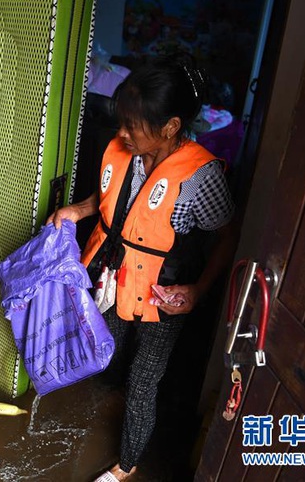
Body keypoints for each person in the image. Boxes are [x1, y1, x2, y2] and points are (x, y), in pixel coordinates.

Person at [47, 53, 237, 481]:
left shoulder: (200, 176)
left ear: (170, 127)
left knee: (143, 382)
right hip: (115, 276)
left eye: (133, 124)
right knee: (107, 345)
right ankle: (105, 392)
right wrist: (76, 211)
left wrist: (197, 292)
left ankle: (125, 466)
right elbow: (112, 200)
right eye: (122, 121)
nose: (122, 132)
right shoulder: (124, 150)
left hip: (163, 295)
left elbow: (228, 235)